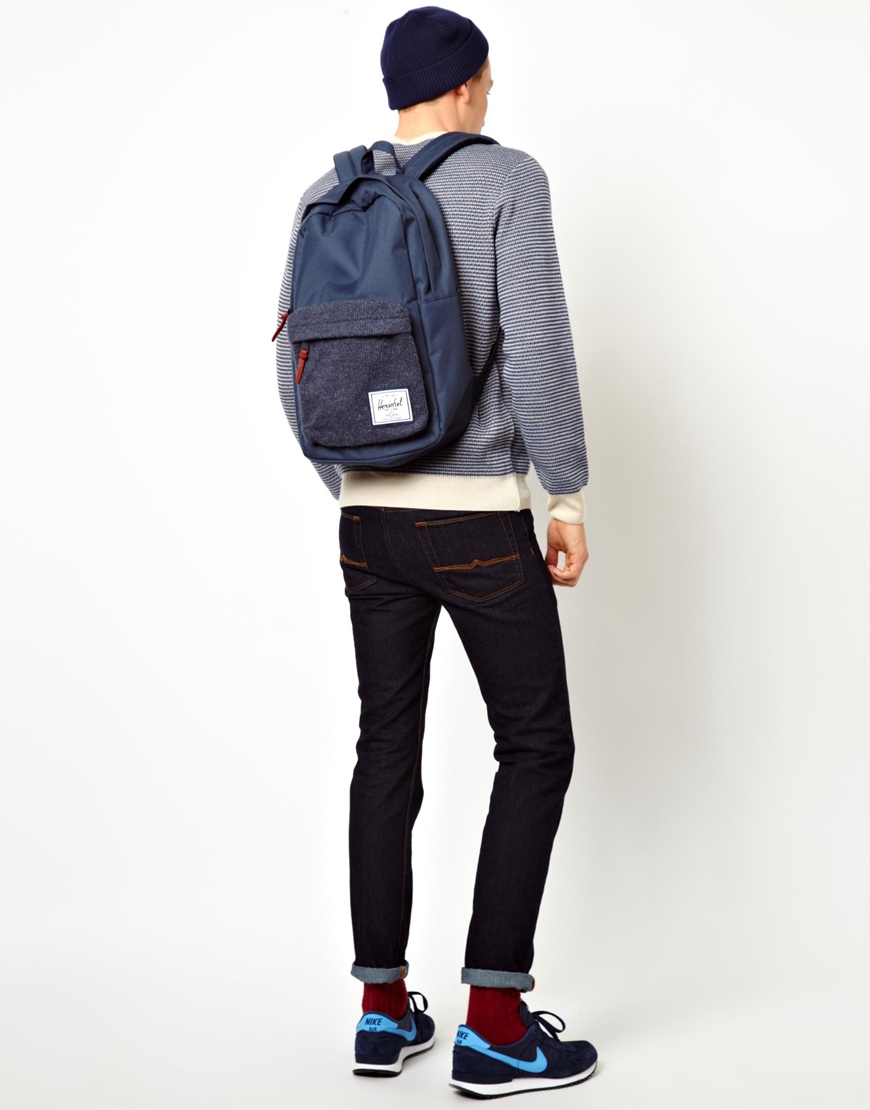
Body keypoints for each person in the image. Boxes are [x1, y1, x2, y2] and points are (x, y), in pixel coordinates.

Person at [275, 5, 598, 1097]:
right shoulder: (507, 178)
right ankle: (495, 1026)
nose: (491, 96)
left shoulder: (327, 194)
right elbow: (539, 347)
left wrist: (361, 485)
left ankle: (381, 1011)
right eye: (488, 82)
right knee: (536, 747)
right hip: (476, 523)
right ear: (462, 84)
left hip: (366, 523)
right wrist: (566, 495)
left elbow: (291, 370)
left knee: (385, 752)